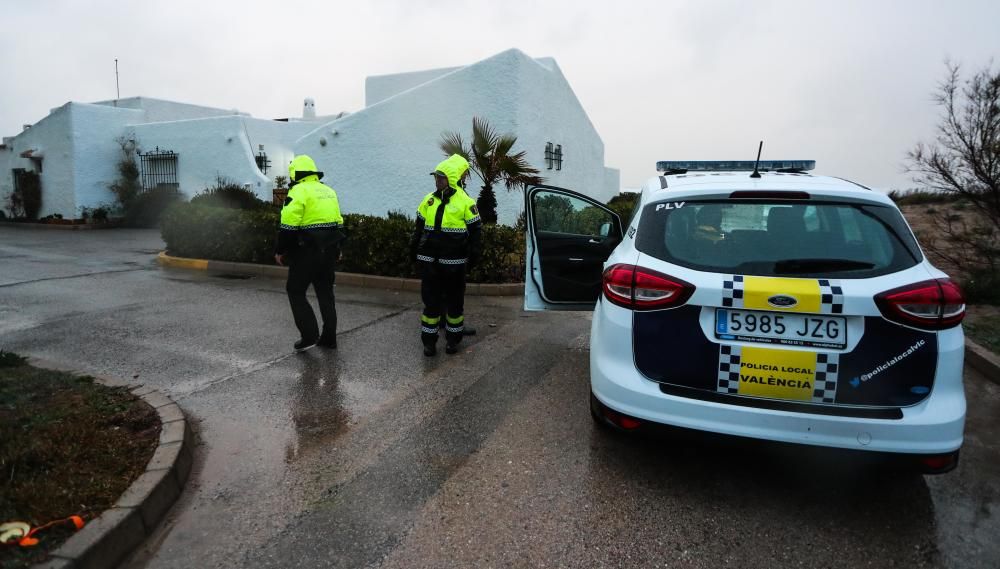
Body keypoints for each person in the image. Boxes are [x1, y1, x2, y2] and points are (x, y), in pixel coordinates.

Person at [410, 154, 483, 356]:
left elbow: (476, 232)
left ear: (450, 179)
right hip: (429, 263)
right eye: (436, 177)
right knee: (431, 305)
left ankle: (453, 340)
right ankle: (429, 342)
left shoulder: (466, 202)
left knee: (454, 304)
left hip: (454, 263)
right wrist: (413, 252)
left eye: (441, 178)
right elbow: (418, 230)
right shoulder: (428, 200)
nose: (437, 181)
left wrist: (474, 256)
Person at [274, 155, 345, 352]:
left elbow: (288, 226)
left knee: (295, 291)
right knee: (325, 293)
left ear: (295, 174)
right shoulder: (329, 191)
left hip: (306, 253)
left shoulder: (297, 192)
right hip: (329, 252)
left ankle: (309, 335)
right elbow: (339, 223)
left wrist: (280, 250)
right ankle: (329, 338)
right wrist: (338, 250)